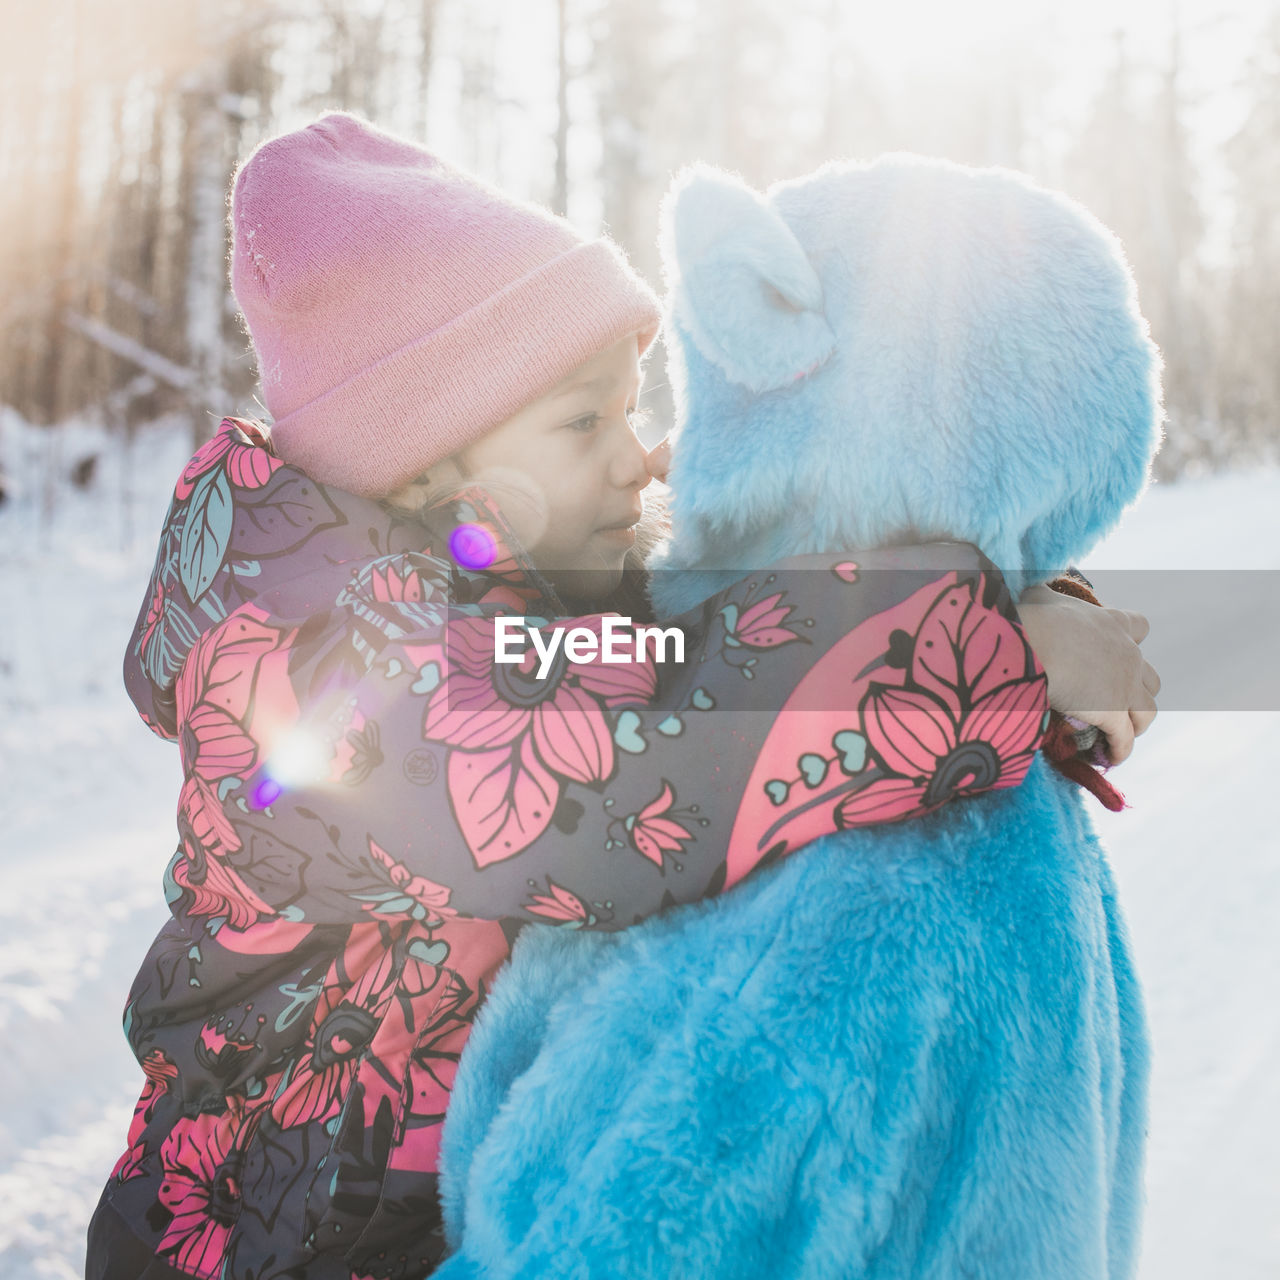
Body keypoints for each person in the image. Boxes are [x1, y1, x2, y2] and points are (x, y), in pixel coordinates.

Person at [85, 112, 1158, 1280]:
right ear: (439, 465)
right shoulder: (323, 664)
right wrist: (987, 650)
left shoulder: (498, 589)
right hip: (268, 1247)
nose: (643, 452)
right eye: (585, 419)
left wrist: (1002, 590)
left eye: (633, 403)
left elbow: (715, 636)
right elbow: (631, 761)